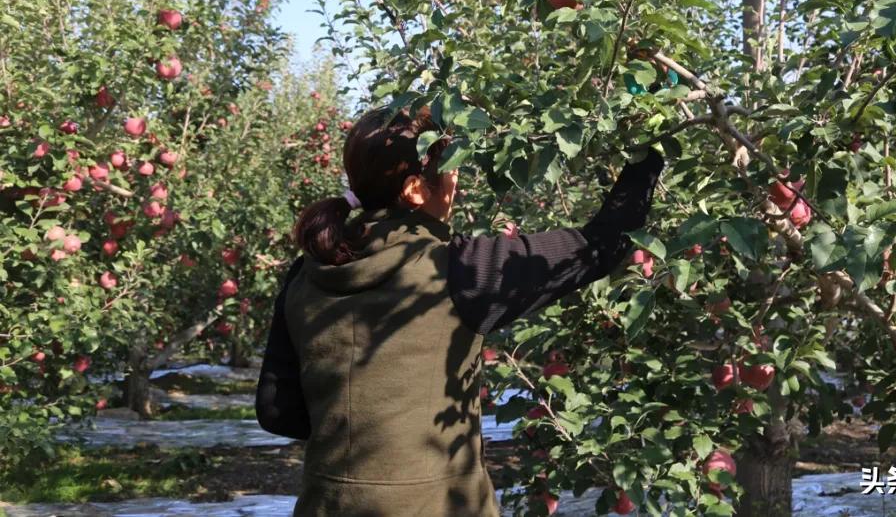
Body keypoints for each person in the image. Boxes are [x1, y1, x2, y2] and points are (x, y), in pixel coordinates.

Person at [256, 103, 668, 516]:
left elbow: (277, 411)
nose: (456, 181)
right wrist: (653, 138)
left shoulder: (307, 273)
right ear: (415, 189)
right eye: (451, 168)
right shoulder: (459, 268)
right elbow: (600, 246)